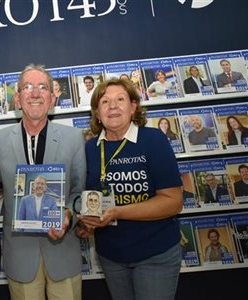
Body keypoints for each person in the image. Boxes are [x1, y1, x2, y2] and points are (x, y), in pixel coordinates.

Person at [77, 78, 183, 299]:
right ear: (97, 112)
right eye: (105, 101)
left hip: (155, 252)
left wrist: (118, 212)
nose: (113, 106)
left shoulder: (153, 140)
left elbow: (173, 202)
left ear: (134, 106)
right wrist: (87, 224)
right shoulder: (90, 149)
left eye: (120, 99)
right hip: (111, 255)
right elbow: (92, 198)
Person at [0, 64, 85, 300]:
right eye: (28, 87)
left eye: (43, 87)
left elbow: (78, 192)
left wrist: (69, 217)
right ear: (18, 99)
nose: (35, 93)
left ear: (52, 99)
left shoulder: (74, 138)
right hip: (20, 257)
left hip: (63, 252)